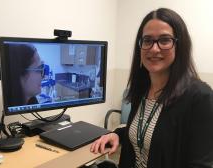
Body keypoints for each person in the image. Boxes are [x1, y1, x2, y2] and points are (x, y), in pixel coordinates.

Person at [90, 8, 213, 168]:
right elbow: (147, 133)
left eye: (164, 40)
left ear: (179, 45)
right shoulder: (142, 88)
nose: (154, 49)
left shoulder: (200, 98)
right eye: (147, 40)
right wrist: (118, 135)